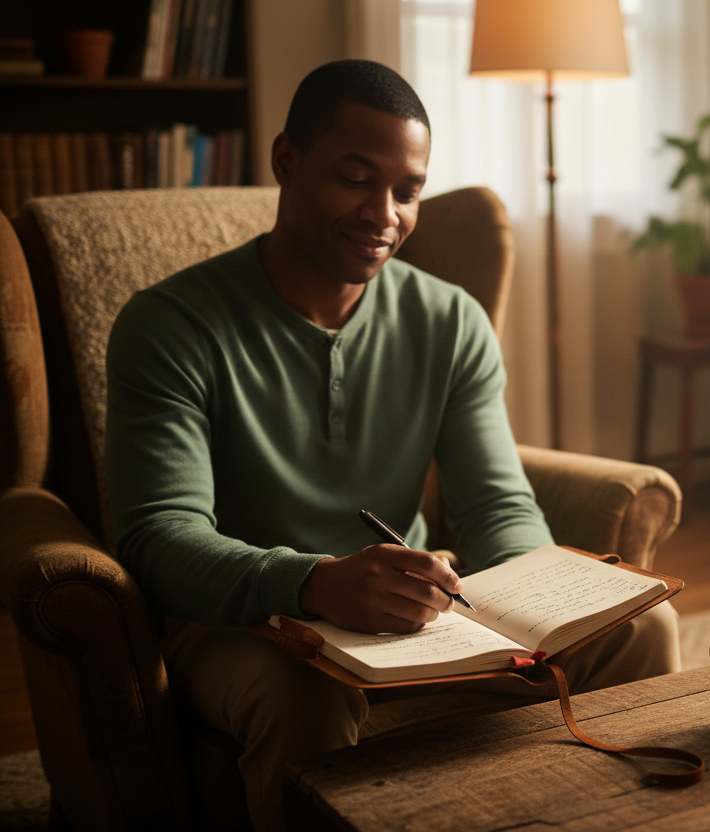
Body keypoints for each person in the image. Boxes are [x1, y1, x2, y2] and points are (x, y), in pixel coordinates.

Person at [105, 59, 679, 832]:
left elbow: (495, 504)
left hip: (418, 624)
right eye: (355, 178)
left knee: (645, 630)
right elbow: (159, 538)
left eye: (407, 191)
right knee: (308, 693)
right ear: (286, 162)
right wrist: (314, 583)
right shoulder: (169, 325)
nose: (385, 213)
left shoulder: (450, 321)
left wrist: (536, 607)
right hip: (251, 628)